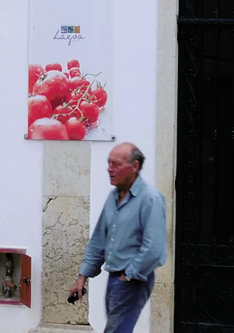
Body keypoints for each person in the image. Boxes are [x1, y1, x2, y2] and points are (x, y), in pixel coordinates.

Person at [69, 142, 167, 333]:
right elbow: (99, 241)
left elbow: (154, 248)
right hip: (115, 278)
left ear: (134, 166)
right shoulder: (113, 197)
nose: (109, 168)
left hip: (133, 281)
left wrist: (129, 275)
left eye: (116, 164)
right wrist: (82, 277)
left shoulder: (150, 198)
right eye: (109, 163)